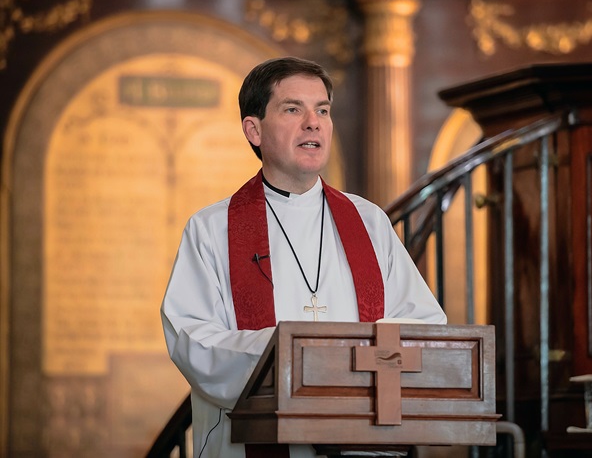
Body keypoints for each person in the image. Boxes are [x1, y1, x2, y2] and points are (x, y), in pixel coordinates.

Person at [161, 56, 447, 458]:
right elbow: (193, 339)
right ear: (254, 129)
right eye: (293, 109)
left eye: (323, 111)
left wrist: (347, 357)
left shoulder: (368, 221)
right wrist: (294, 355)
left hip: (363, 446)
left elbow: (425, 326)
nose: (313, 123)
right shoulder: (213, 228)